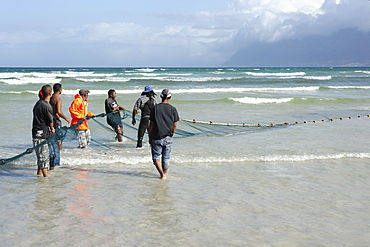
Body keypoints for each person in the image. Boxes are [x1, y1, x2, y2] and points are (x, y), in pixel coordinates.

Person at [148, 89, 179, 179]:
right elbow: (175, 125)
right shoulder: (173, 109)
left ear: (161, 96)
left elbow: (151, 124)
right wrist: (172, 133)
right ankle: (164, 174)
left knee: (156, 157)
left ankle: (162, 174)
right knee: (166, 157)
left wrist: (150, 136)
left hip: (156, 136)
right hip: (168, 137)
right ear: (170, 97)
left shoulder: (155, 108)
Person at [32, 85, 55, 177]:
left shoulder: (38, 103)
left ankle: (39, 174)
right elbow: (50, 121)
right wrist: (52, 128)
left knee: (40, 154)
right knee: (44, 156)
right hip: (42, 134)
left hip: (36, 132)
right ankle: (46, 178)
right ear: (50, 93)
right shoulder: (47, 106)